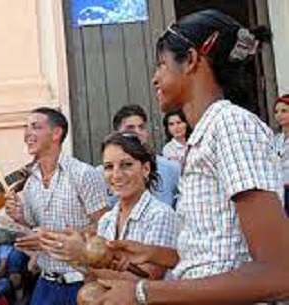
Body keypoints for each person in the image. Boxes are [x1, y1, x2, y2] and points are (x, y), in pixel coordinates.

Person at [93, 9, 289, 304]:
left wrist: (143, 292)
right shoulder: (205, 135)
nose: (155, 77)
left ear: (192, 60)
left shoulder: (230, 125)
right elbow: (217, 256)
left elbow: (278, 274)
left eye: (162, 64)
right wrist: (153, 253)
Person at [5, 107, 109, 305]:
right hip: (44, 284)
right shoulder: (29, 180)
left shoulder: (83, 174)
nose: (27, 134)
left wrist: (50, 237)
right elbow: (33, 229)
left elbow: (106, 227)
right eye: (26, 128)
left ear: (56, 133)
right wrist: (19, 218)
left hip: (82, 284)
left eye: (35, 127)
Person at [41, 132, 178, 281]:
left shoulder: (160, 214)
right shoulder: (108, 219)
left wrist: (83, 255)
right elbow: (97, 277)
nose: (116, 175)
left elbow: (147, 280)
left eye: (126, 165)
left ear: (145, 169)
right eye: (109, 167)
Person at [112, 105, 181, 208]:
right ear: (117, 134)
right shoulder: (108, 174)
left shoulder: (171, 169)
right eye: (130, 128)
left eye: (141, 127)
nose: (138, 132)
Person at [273, 94, 289, 216]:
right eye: (276, 111)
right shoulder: (276, 139)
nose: (279, 115)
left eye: (284, 111)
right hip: (280, 189)